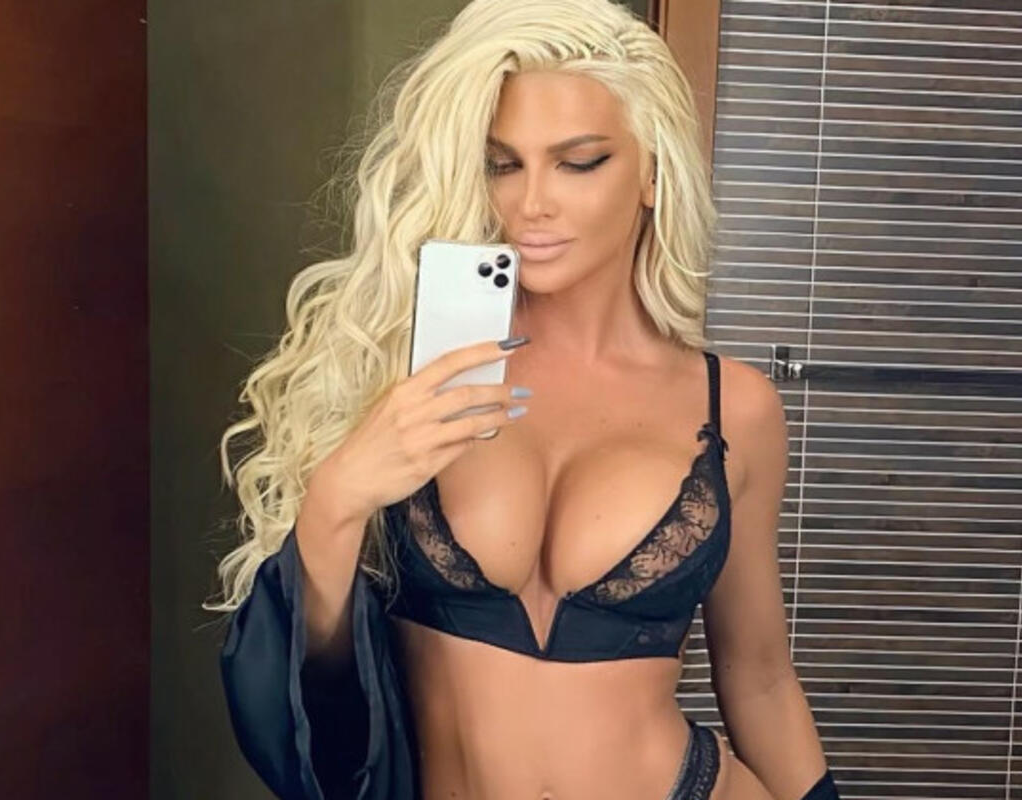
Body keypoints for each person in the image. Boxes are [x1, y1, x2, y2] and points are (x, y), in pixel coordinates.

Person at [205, 1, 841, 798]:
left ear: (651, 173)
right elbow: (317, 693)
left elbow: (759, 678)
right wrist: (336, 499)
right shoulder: (411, 373)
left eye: (580, 162)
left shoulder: (733, 406)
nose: (533, 202)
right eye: (503, 164)